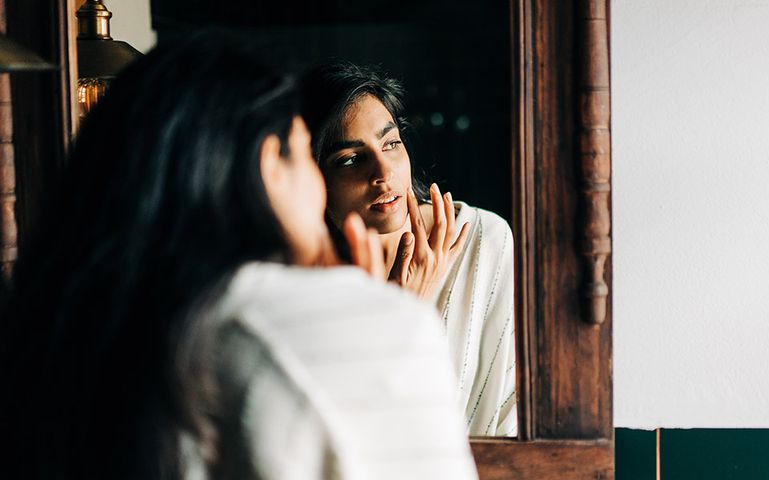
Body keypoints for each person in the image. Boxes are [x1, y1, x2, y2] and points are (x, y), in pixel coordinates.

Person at [0, 32, 478, 479]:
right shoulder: (364, 326)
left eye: (391, 142)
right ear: (272, 166)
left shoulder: (66, 334)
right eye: (326, 159)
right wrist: (385, 321)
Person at [301, 63, 517, 436]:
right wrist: (402, 310)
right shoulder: (306, 282)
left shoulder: (485, 241)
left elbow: (508, 411)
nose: (383, 172)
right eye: (350, 159)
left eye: (391, 143)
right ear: (314, 180)